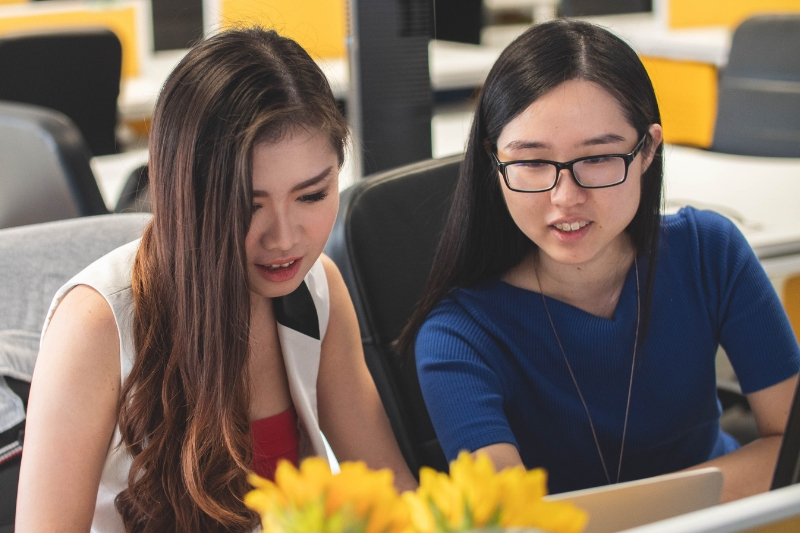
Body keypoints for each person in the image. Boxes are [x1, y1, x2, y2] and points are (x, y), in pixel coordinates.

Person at [16, 27, 416, 533]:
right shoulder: (96, 325)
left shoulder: (318, 291)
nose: (285, 238)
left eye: (312, 196)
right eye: (246, 206)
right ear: (186, 195)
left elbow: (392, 496)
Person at [398, 19, 800, 503]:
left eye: (598, 158)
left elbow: (790, 446)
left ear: (648, 149)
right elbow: (514, 518)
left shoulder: (710, 253)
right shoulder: (458, 336)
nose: (566, 197)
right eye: (532, 162)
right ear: (494, 162)